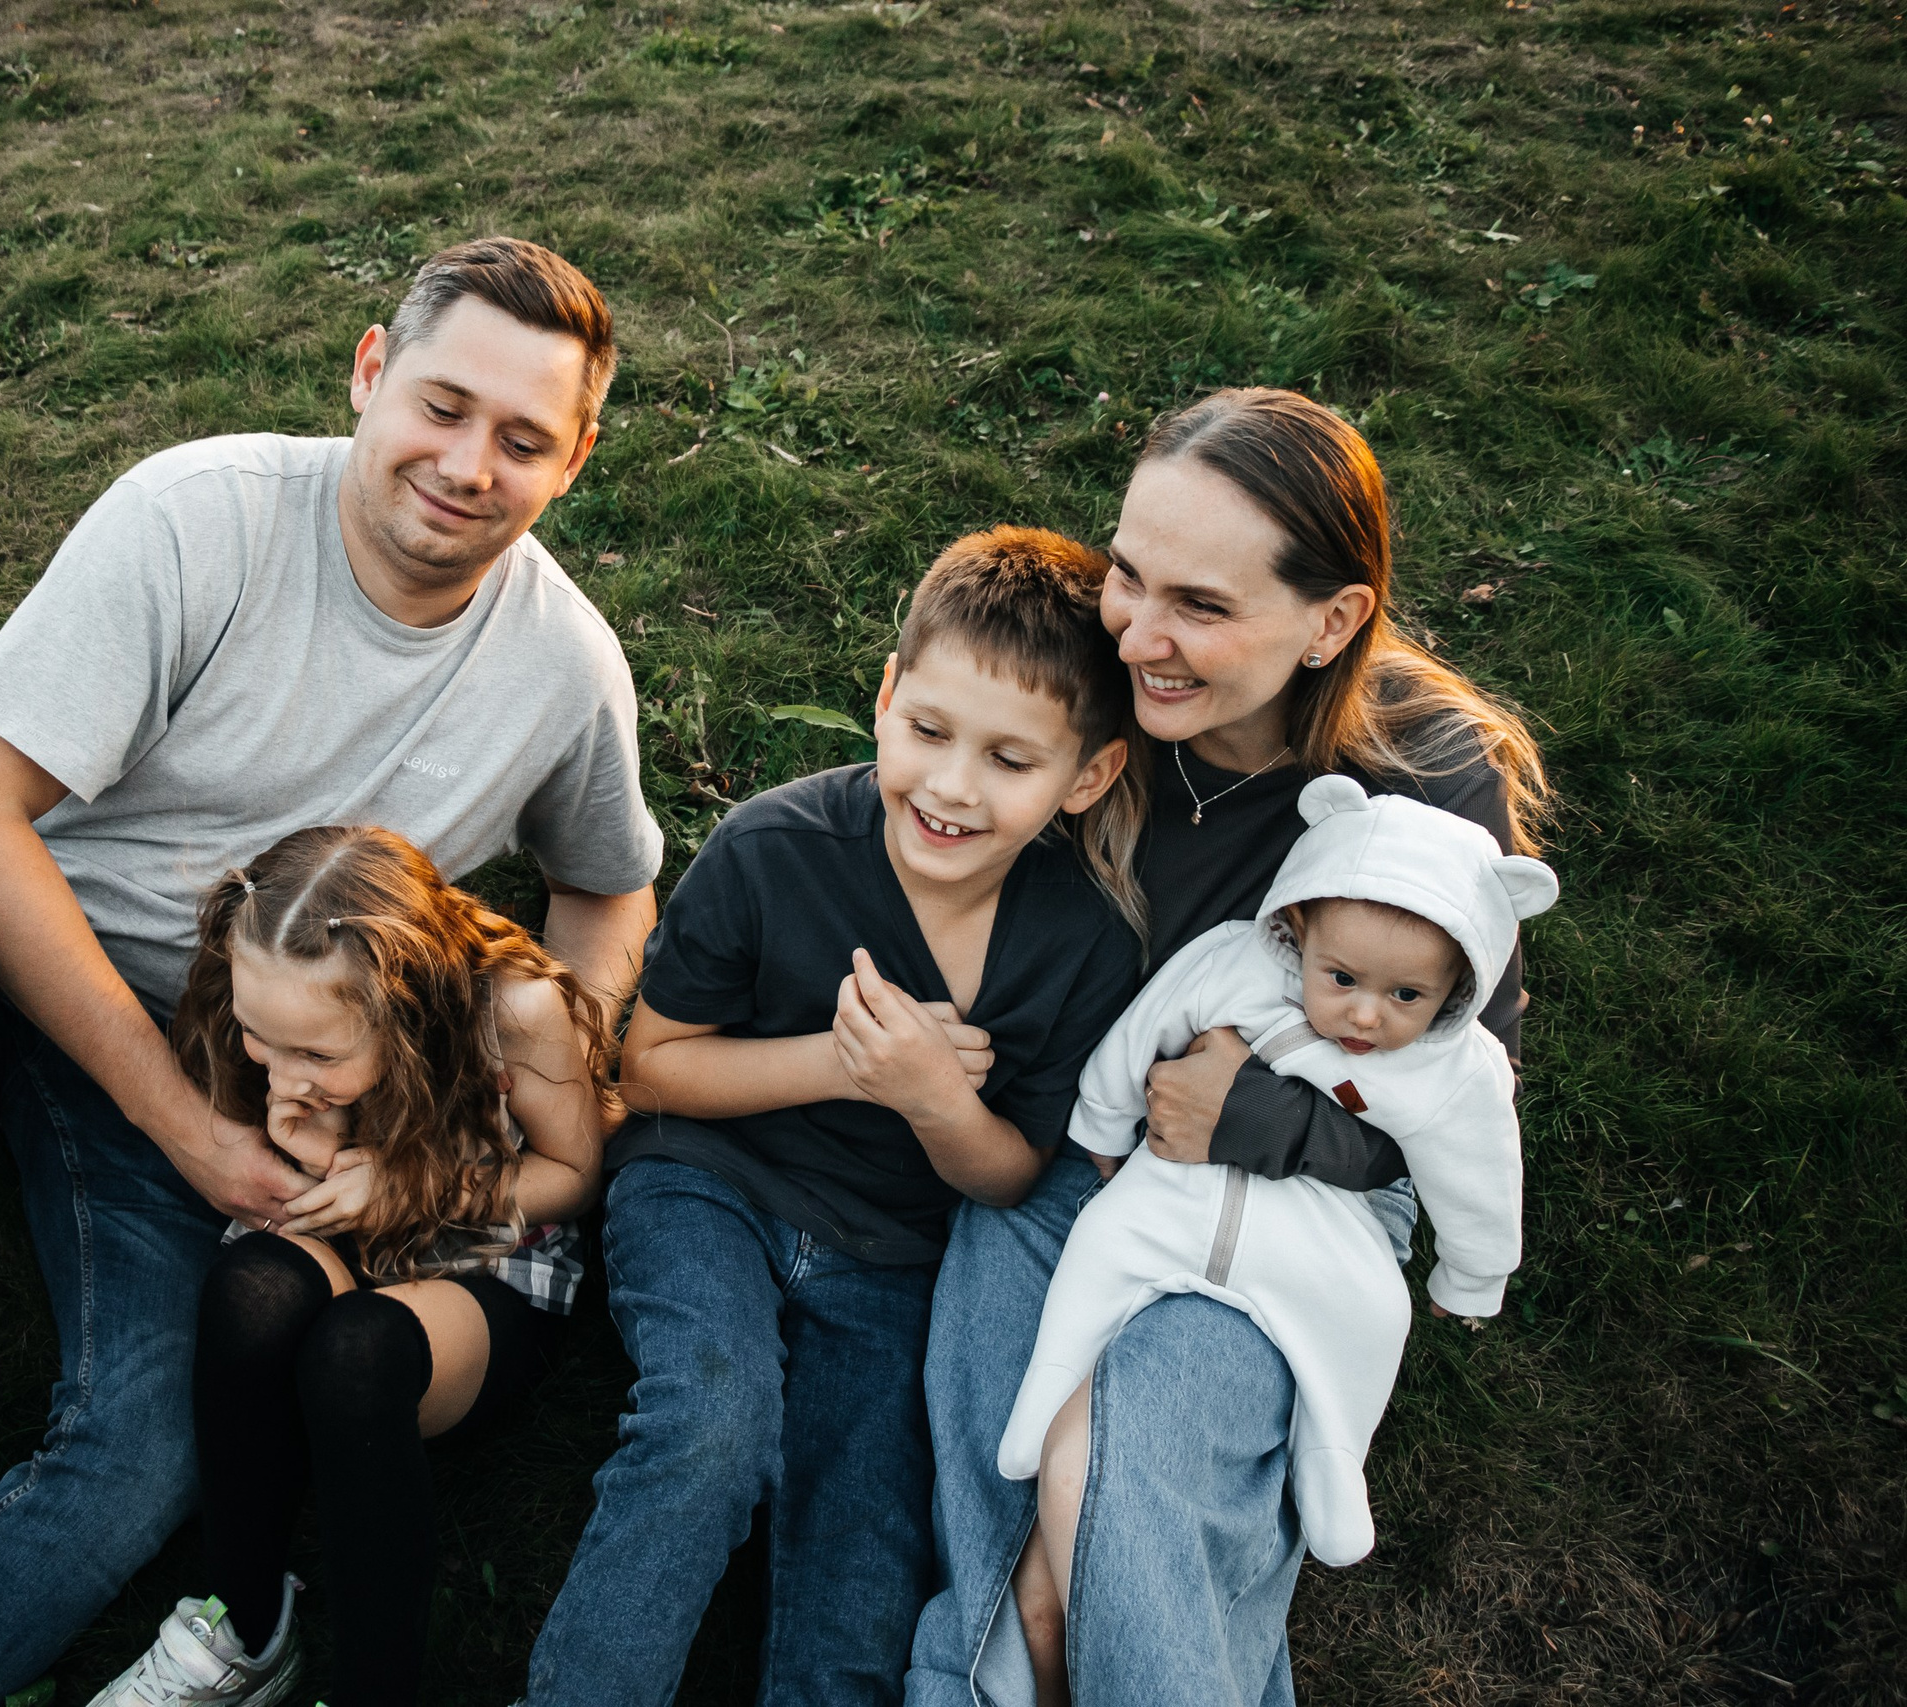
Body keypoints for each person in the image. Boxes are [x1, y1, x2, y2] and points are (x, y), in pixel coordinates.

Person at [0, 237, 663, 1707]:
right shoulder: (198, 516)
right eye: (442, 406)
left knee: (146, 1449)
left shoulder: (564, 663)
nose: (468, 464)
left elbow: (609, 878)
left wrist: (532, 1069)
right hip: (4, 952)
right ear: (370, 371)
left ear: (574, 458)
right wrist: (183, 1131)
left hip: (249, 1053)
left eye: (524, 439)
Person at [910, 387, 1553, 1707]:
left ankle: (1052, 1644)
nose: (1143, 634)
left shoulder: (1422, 781)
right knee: (1011, 1496)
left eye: (1200, 605)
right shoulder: (1096, 695)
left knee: (1123, 1466)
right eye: (1131, 576)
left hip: (1295, 1208)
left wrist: (1255, 1118)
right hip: (1080, 1158)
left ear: (1333, 620)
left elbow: (1463, 1086)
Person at [523, 528, 1146, 1707]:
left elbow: (1010, 1175)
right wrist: (852, 1066)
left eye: (1010, 760)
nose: (952, 787)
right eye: (928, 732)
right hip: (709, 1182)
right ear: (885, 698)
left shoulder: (1081, 940)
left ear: (1088, 777)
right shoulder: (777, 849)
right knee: (709, 1428)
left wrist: (933, 1099)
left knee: (863, 1552)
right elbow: (648, 1071)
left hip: (895, 1257)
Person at [997, 777, 1558, 1639]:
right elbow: (1143, 1028)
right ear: (1298, 929)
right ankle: (1037, 1406)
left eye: (1407, 996)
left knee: (1366, 1320)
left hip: (1322, 1230)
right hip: (1171, 1193)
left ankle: (1334, 1464)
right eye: (1343, 978)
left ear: (1453, 988)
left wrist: (1474, 1274)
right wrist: (1103, 1125)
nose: (1365, 1015)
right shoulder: (1237, 963)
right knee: (1096, 1253)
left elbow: (1482, 1176)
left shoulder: (1453, 1068)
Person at [86, 825, 619, 1707]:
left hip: (482, 1266)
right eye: (263, 1038)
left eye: (316, 1055)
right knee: (251, 1293)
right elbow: (293, 1163)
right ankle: (244, 1627)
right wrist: (316, 1141)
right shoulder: (268, 992)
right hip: (349, 1237)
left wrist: (415, 1185)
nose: (279, 1069)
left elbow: (574, 1172)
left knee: (354, 1352)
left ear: (405, 1012)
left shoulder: (514, 1012)